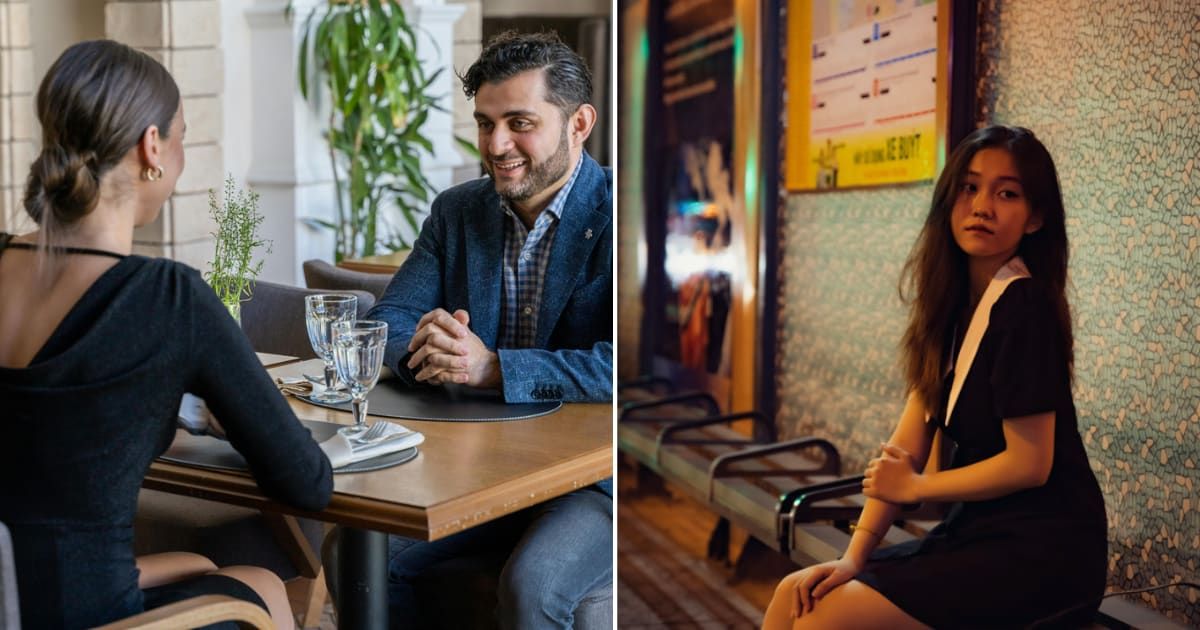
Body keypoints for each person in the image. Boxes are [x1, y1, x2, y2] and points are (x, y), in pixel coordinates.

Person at [0, 40, 333, 629]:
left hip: (15, 597)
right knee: (262, 586)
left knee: (202, 562)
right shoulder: (167, 298)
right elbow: (307, 483)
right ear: (151, 147)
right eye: (180, 135)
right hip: (90, 616)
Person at [762, 126, 1107, 629]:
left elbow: (1030, 462)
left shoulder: (1024, 306)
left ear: (1034, 218)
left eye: (1006, 193)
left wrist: (920, 485)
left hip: (1044, 552)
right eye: (969, 188)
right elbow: (905, 448)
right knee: (797, 592)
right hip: (977, 534)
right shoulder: (950, 310)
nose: (982, 205)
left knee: (825, 620)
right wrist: (855, 555)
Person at [363, 31, 612, 628]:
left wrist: (493, 367)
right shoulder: (458, 210)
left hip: (596, 480)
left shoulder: (621, 214)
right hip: (482, 469)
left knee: (534, 585)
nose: (497, 145)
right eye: (485, 123)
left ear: (579, 123)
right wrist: (435, 347)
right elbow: (387, 322)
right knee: (365, 557)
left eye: (520, 122)